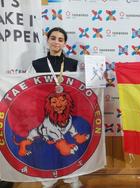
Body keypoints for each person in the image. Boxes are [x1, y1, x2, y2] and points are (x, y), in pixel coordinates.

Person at [29, 27, 82, 188]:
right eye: (53, 38)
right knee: (46, 146)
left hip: (66, 113)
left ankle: (72, 179)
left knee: (69, 144)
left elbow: (79, 89)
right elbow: (29, 88)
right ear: (48, 40)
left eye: (60, 39)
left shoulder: (73, 64)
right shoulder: (36, 64)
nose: (56, 42)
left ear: (65, 43)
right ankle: (48, 181)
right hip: (43, 112)